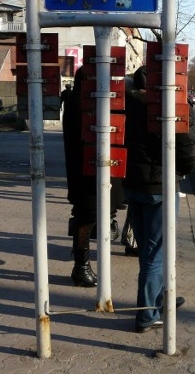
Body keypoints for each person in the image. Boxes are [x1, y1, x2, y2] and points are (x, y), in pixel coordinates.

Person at [123, 66, 195, 333]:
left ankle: (158, 299)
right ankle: (147, 314)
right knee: (155, 254)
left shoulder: (123, 103)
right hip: (160, 187)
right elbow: (189, 154)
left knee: (147, 249)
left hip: (132, 184)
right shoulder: (172, 108)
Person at [62, 69, 123, 288]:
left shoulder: (75, 102)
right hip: (87, 171)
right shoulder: (81, 105)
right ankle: (81, 267)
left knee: (89, 216)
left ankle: (82, 264)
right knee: (85, 218)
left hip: (89, 170)